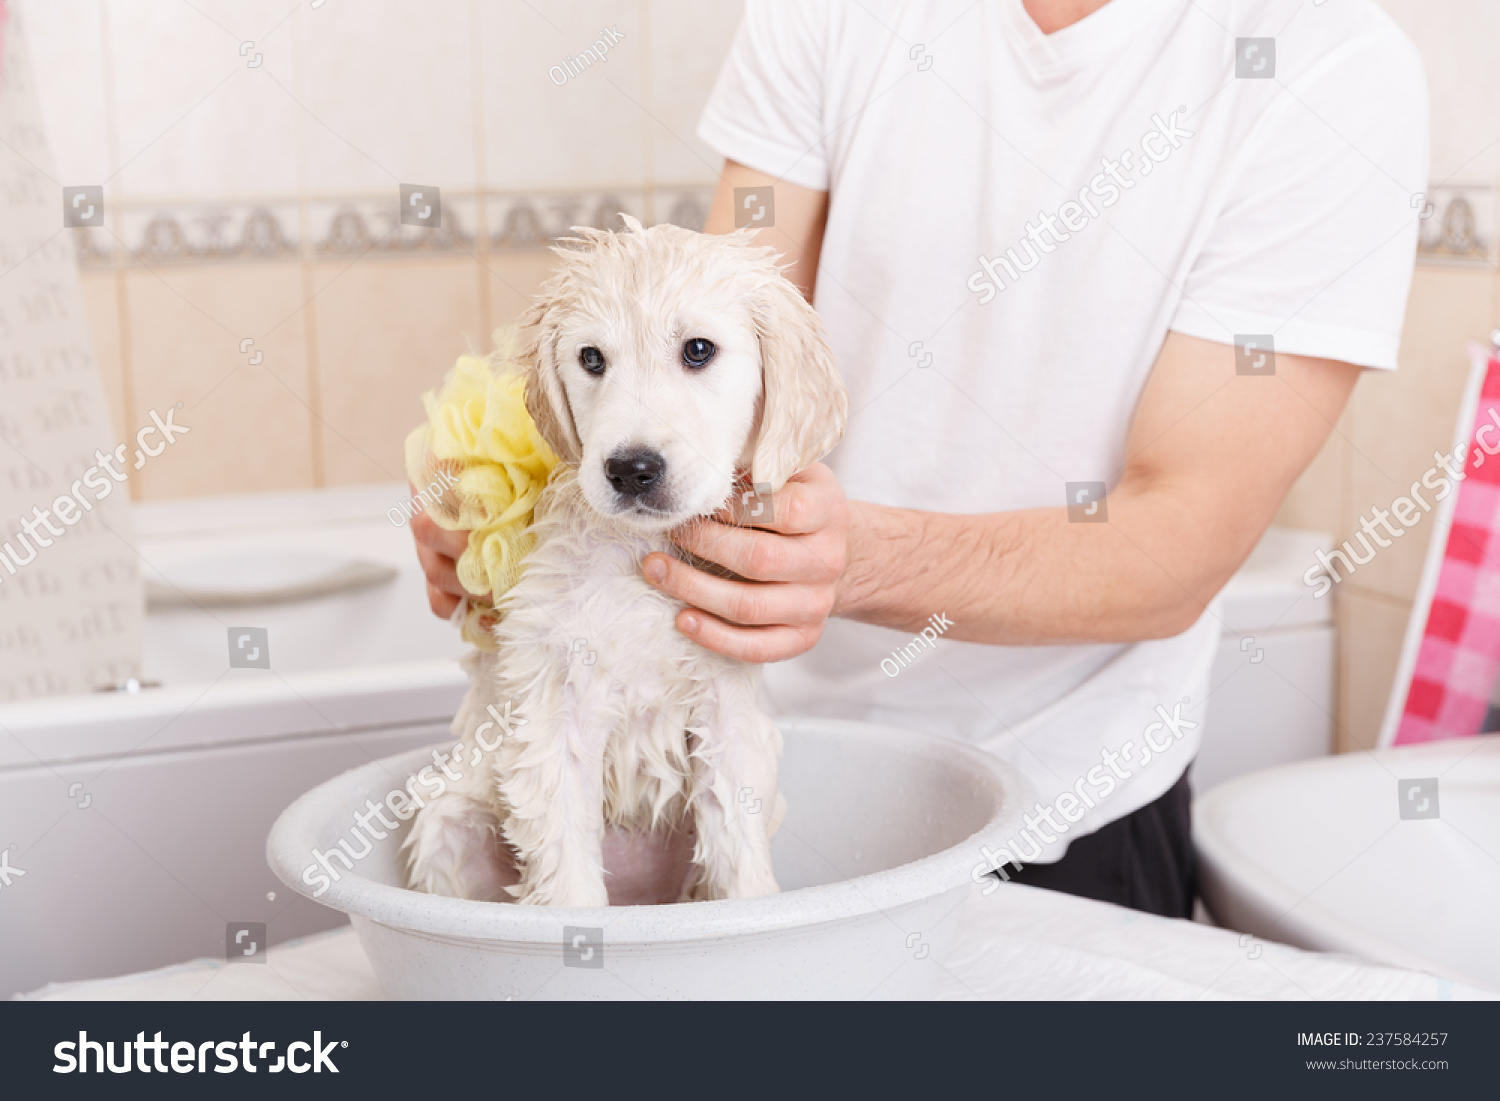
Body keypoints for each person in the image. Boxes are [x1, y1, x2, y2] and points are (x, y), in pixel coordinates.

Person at [413, 0, 1427, 917]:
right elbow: (715, 352)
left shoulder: (1327, 66)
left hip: (1061, 806)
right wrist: (511, 504)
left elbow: (1181, 539)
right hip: (756, 761)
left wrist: (862, 562)